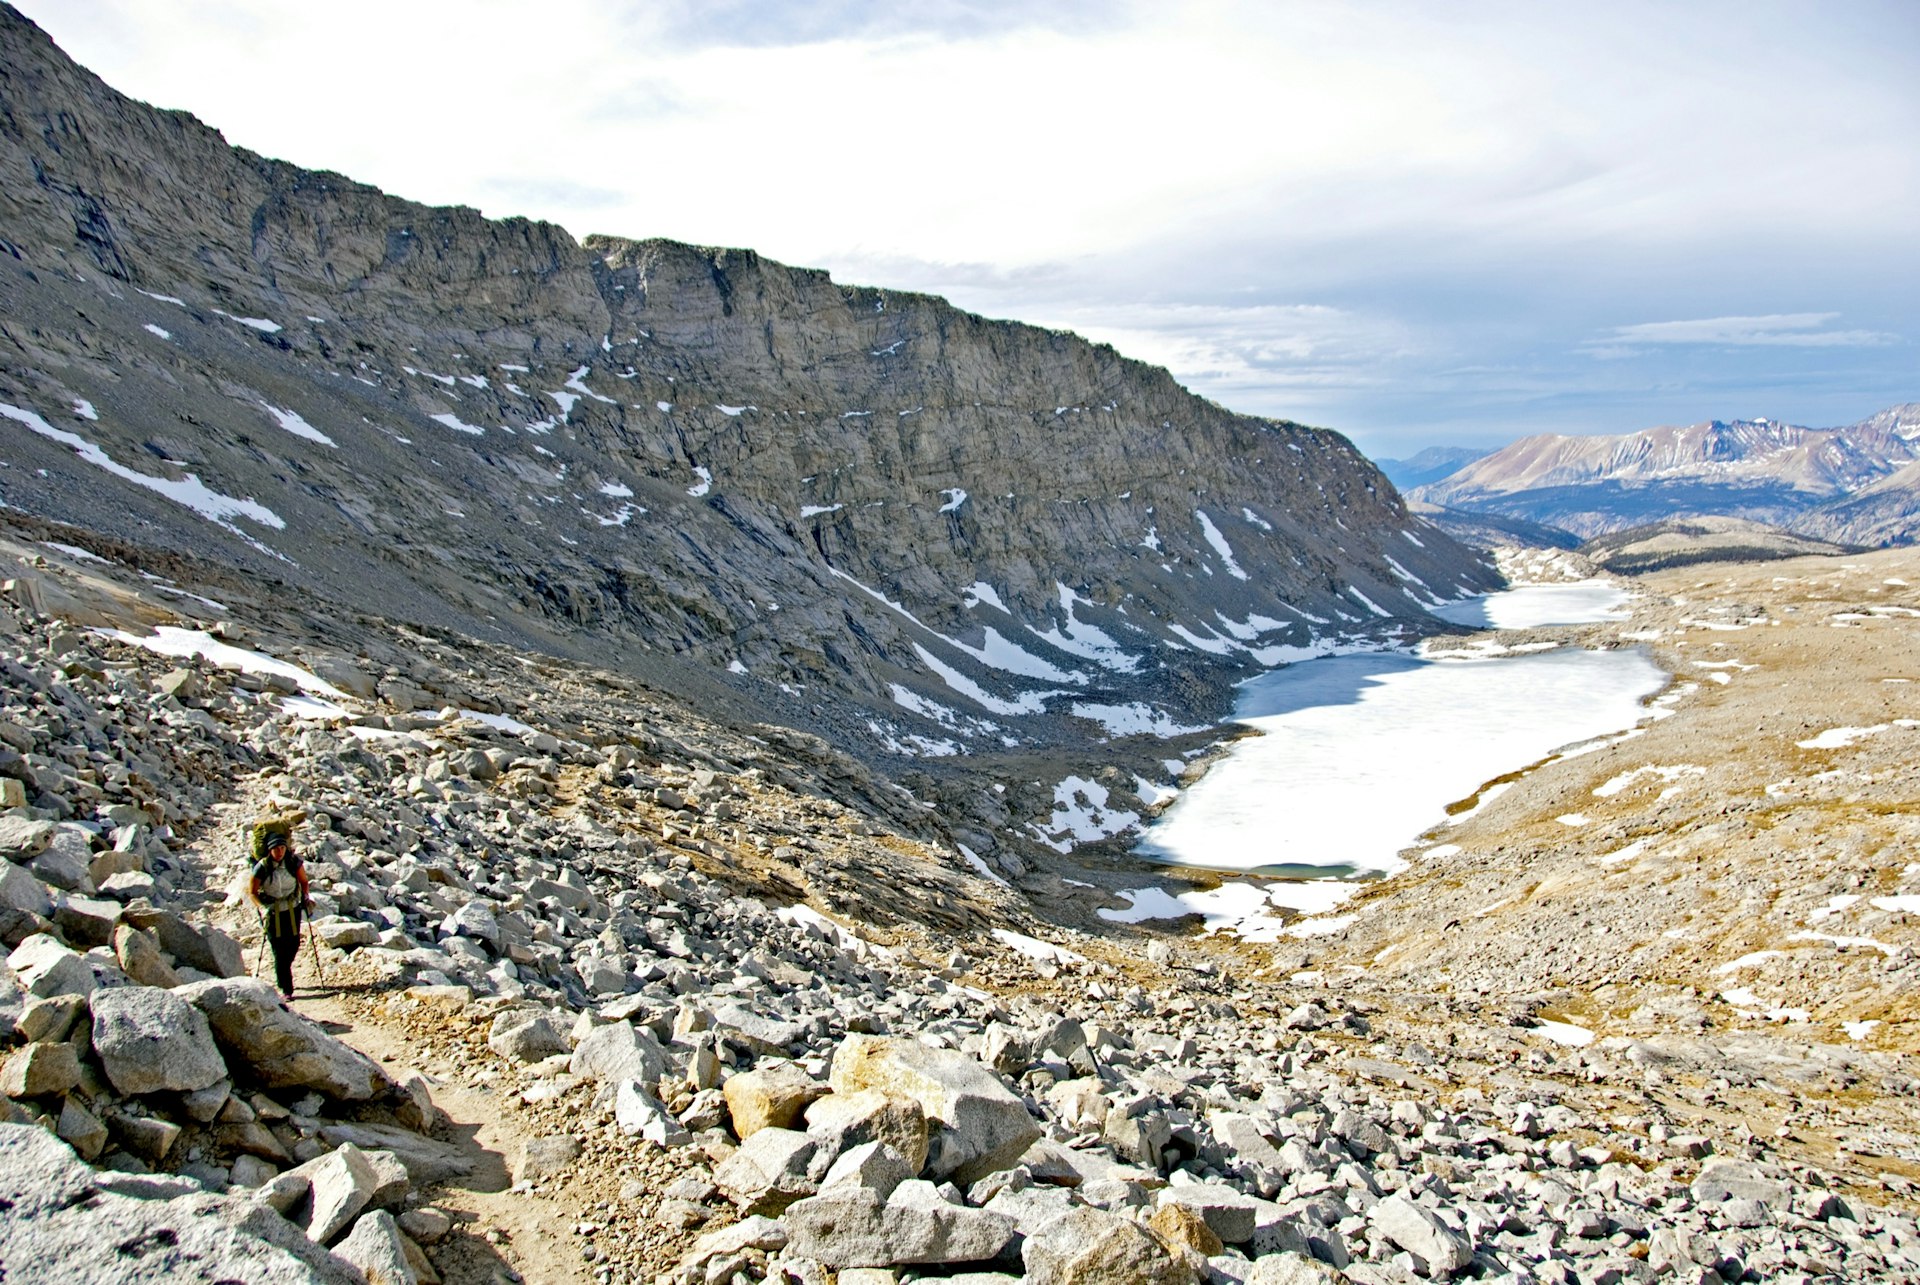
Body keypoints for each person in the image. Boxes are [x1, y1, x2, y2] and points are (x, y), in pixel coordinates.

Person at [248, 820, 311, 997]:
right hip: (273, 912)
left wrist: (305, 897)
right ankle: (286, 988)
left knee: (293, 944)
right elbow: (252, 892)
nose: (280, 852)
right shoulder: (262, 867)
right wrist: (262, 908)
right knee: (278, 950)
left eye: (282, 848)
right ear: (269, 850)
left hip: (292, 909)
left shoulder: (292, 863)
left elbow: (304, 882)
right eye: (276, 849)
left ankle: (284, 974)